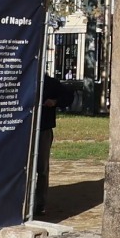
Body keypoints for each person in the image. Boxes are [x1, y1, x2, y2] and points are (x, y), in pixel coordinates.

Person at [33, 71, 76, 218]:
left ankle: (40, 203)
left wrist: (55, 102)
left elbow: (69, 97)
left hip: (43, 129)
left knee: (42, 168)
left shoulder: (51, 83)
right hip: (24, 130)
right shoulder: (24, 78)